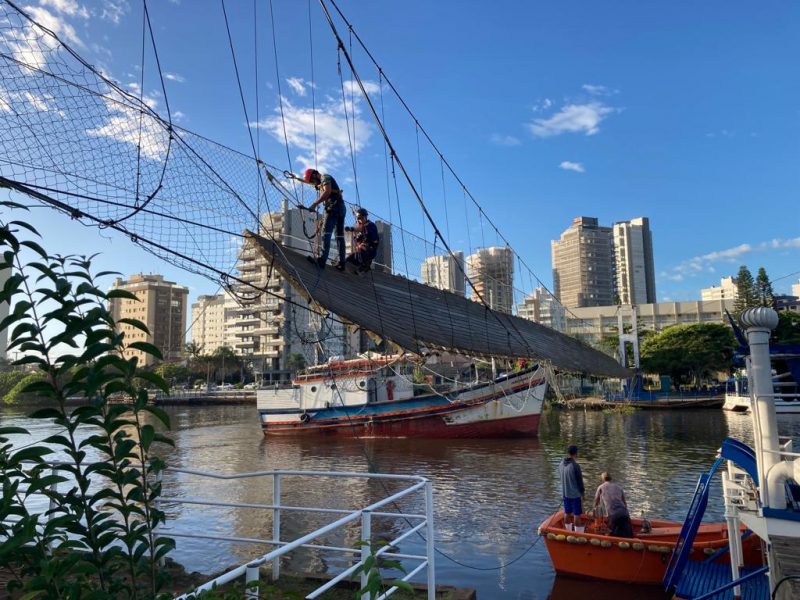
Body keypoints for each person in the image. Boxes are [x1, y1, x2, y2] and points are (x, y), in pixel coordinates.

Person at [303, 168, 346, 271]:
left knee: (326, 234)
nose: (314, 184)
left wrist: (315, 204)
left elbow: (327, 192)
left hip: (333, 208)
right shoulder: (324, 181)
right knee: (339, 236)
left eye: (312, 181)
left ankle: (322, 260)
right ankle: (342, 263)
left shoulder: (325, 178)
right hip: (340, 208)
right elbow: (327, 194)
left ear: (314, 175)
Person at [593, 472, 633, 538]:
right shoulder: (619, 487)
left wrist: (594, 512)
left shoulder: (600, 487)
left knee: (612, 536)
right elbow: (625, 504)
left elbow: (596, 502)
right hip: (624, 513)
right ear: (611, 479)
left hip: (613, 515)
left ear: (603, 479)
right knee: (628, 536)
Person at [557, 445, 584, 528]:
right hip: (575, 495)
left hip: (565, 493)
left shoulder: (561, 464)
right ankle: (577, 533)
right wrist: (583, 494)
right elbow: (580, 482)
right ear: (576, 453)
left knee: (567, 512)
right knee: (577, 514)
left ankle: (568, 531)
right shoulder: (575, 466)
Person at [345, 208, 380, 272]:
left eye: (361, 218)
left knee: (361, 253)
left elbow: (374, 240)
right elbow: (359, 231)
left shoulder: (371, 225)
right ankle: (348, 264)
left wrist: (352, 229)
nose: (360, 220)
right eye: (358, 219)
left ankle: (364, 265)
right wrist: (356, 236)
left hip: (369, 251)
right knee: (349, 258)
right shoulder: (361, 227)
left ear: (365, 217)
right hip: (362, 251)